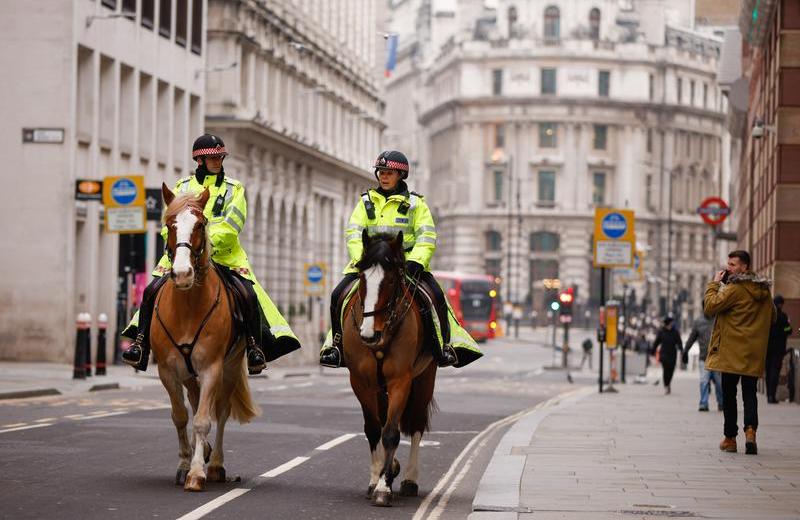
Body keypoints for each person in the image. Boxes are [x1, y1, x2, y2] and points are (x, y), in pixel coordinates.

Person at [120, 134, 301, 374]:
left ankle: (255, 348)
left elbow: (232, 225)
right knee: (152, 290)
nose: (217, 161)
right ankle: (140, 344)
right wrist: (183, 244)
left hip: (225, 256)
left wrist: (205, 243)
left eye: (219, 157)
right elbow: (169, 225)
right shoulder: (182, 187)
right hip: (183, 253)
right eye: (212, 158)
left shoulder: (234, 189)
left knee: (248, 294)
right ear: (199, 160)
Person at [318, 150, 483, 369]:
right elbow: (354, 233)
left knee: (435, 297)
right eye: (381, 172)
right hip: (369, 267)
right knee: (337, 295)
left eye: (389, 172)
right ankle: (336, 346)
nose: (383, 176)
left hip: (407, 267)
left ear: (401, 175)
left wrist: (417, 261)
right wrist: (363, 260)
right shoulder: (365, 202)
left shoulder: (416, 204)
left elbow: (427, 236)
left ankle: (443, 346)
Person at [704, 250, 775, 455]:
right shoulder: (763, 291)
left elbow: (710, 306)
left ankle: (730, 438)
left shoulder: (734, 289)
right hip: (753, 353)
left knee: (729, 394)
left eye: (733, 264)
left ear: (745, 267)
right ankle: (751, 432)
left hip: (731, 352)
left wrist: (715, 283)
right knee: (750, 393)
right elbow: (773, 317)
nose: (728, 268)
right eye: (728, 264)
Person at [682, 310, 723, 411]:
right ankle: (703, 403)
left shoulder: (719, 319)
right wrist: (685, 351)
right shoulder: (699, 322)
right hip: (704, 358)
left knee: (719, 383)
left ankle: (721, 403)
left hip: (716, 358)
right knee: (704, 381)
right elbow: (692, 338)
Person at [765, 295, 792, 403]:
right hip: (779, 349)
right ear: (781, 304)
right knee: (775, 372)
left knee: (768, 371)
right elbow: (788, 330)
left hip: (767, 348)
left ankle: (768, 395)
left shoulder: (767, 316)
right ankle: (772, 395)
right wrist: (787, 327)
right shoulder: (783, 317)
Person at [652, 316, 682, 394]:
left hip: (672, 354)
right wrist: (653, 350)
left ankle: (668, 383)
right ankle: (666, 385)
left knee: (671, 370)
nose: (671, 324)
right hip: (664, 354)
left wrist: (682, 350)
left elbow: (679, 342)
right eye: (670, 323)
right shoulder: (661, 332)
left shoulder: (675, 332)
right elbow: (656, 342)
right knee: (665, 370)